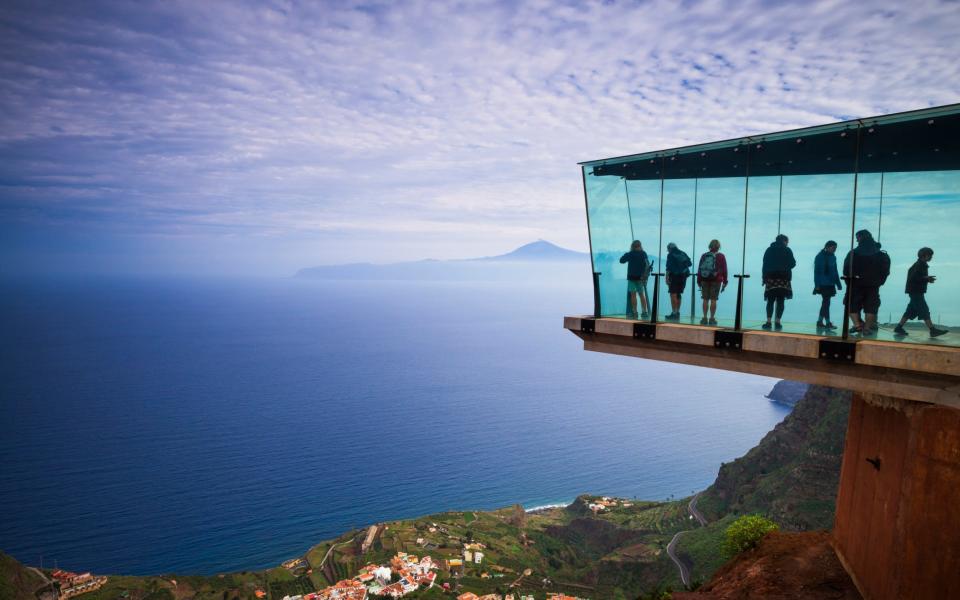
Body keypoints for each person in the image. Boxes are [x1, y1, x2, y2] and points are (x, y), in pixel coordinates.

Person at [843, 229, 890, 336]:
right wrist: (879, 282)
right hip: (873, 285)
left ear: (860, 238)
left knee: (851, 304)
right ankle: (867, 328)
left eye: (857, 238)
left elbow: (846, 270)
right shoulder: (881, 254)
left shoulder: (853, 253)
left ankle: (857, 325)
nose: (856, 240)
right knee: (871, 307)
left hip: (856, 284)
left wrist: (849, 282)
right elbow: (885, 271)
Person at [893, 247, 948, 338]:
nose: (931, 257)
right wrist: (926, 279)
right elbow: (913, 278)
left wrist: (926, 279)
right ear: (924, 256)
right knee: (924, 309)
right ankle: (932, 330)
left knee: (910, 310)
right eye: (930, 255)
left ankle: (899, 327)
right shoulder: (919, 265)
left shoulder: (921, 264)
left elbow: (917, 278)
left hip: (915, 291)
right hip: (916, 292)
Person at [761, 234, 796, 330]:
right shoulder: (787, 250)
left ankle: (768, 321)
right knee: (781, 301)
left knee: (770, 300)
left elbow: (765, 264)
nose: (787, 243)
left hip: (771, 279)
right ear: (784, 241)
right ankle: (778, 322)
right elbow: (793, 263)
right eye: (787, 242)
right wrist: (784, 266)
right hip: (783, 279)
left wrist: (764, 278)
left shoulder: (769, 250)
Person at [696, 239, 728, 325]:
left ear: (710, 246)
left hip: (704, 279)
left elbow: (699, 269)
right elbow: (724, 270)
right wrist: (725, 281)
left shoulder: (704, 255)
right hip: (716, 280)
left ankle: (704, 318)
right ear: (718, 247)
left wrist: (698, 281)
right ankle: (712, 318)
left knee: (705, 299)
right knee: (713, 299)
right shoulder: (721, 256)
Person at [813, 240, 842, 330]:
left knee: (826, 303)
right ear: (827, 247)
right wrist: (817, 284)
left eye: (835, 248)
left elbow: (835, 270)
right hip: (823, 283)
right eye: (833, 248)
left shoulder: (833, 257)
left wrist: (838, 283)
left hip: (830, 283)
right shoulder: (819, 257)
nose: (834, 250)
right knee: (826, 302)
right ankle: (826, 322)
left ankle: (820, 321)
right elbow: (816, 272)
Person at [619, 240, 651, 319]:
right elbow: (647, 264)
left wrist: (627, 254)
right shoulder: (643, 253)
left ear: (632, 246)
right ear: (640, 245)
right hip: (641, 278)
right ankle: (644, 312)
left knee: (633, 295)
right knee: (641, 295)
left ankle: (635, 312)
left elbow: (621, 260)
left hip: (631, 277)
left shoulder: (630, 254)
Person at [664, 242, 691, 320]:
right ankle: (677, 312)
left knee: (673, 294)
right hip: (683, 277)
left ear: (670, 249)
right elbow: (689, 263)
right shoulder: (683, 253)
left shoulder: (670, 255)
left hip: (674, 277)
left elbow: (668, 267)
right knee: (678, 294)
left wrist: (667, 278)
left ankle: (674, 313)